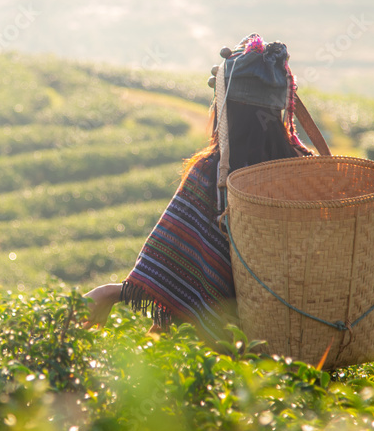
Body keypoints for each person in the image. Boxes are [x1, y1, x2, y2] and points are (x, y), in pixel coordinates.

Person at [84, 34, 315, 341]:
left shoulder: (213, 175)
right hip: (303, 330)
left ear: (226, 111)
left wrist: (113, 292)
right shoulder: (308, 172)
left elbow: (178, 266)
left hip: (233, 341)